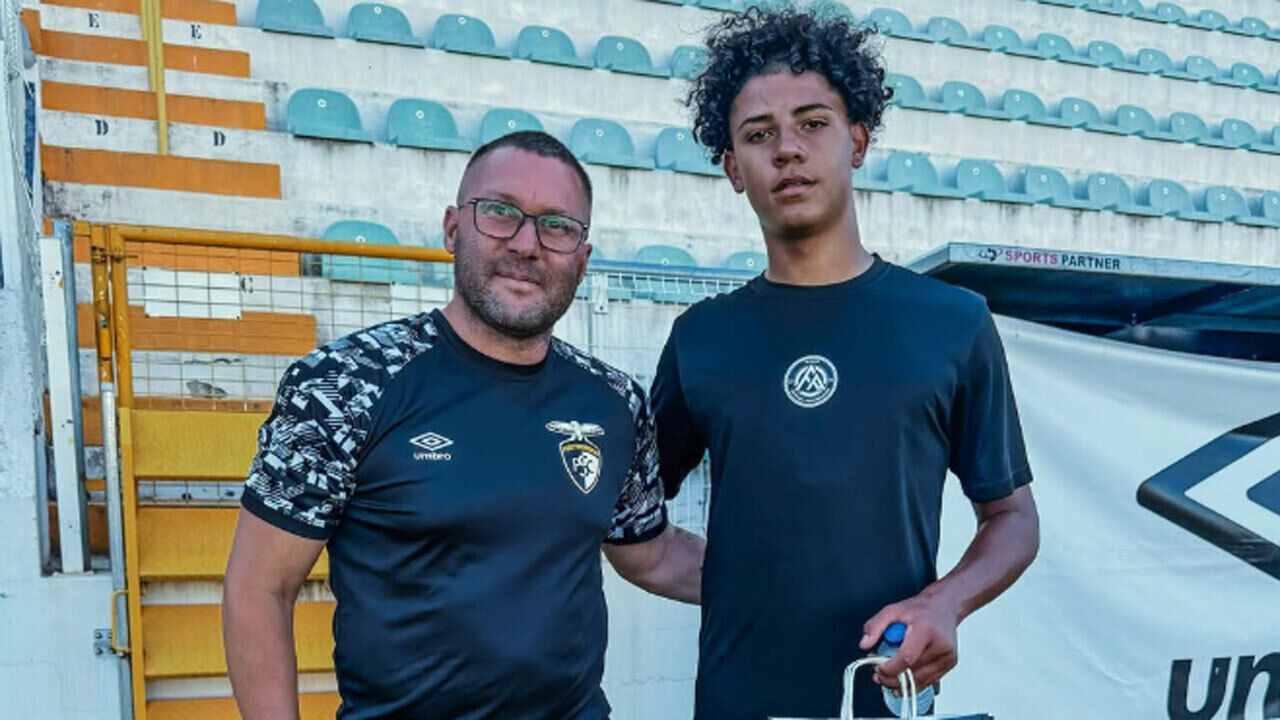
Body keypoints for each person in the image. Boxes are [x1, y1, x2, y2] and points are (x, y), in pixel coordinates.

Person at [223, 130, 706, 720]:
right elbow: (260, 590)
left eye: (557, 225)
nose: (527, 244)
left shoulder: (615, 402)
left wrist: (788, 584)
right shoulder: (345, 384)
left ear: (582, 260)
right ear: (453, 229)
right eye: (500, 212)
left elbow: (652, 554)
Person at [652, 8, 1041, 719]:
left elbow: (1012, 518)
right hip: (738, 702)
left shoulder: (953, 322)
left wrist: (944, 603)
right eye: (759, 134)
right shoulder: (700, 338)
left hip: (883, 697)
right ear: (733, 167)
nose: (787, 150)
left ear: (856, 141)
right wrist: (743, 582)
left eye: (812, 123)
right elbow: (632, 523)